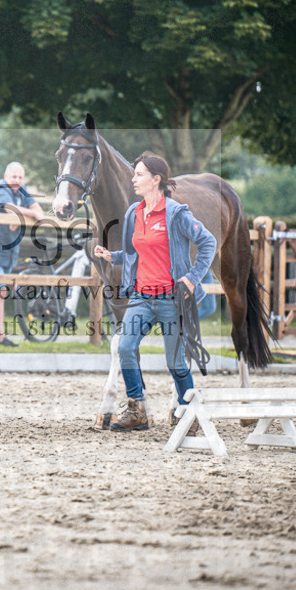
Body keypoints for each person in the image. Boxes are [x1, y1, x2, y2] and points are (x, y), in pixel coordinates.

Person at [92, 151, 216, 433]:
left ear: (156, 179)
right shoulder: (133, 213)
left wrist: (193, 278)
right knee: (125, 347)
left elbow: (208, 243)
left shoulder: (176, 214)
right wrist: (114, 256)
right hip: (142, 297)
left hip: (172, 299)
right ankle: (137, 410)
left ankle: (188, 410)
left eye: (139, 175)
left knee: (175, 363)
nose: (133, 179)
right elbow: (135, 253)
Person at [0, 162, 43, 347]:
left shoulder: (21, 189)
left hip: (8, 250)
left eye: (20, 177)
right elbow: (11, 208)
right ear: (6, 176)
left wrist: (32, 214)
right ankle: (1, 337)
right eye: (14, 177)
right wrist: (31, 215)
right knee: (0, 290)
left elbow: (39, 210)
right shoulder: (0, 188)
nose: (17, 181)